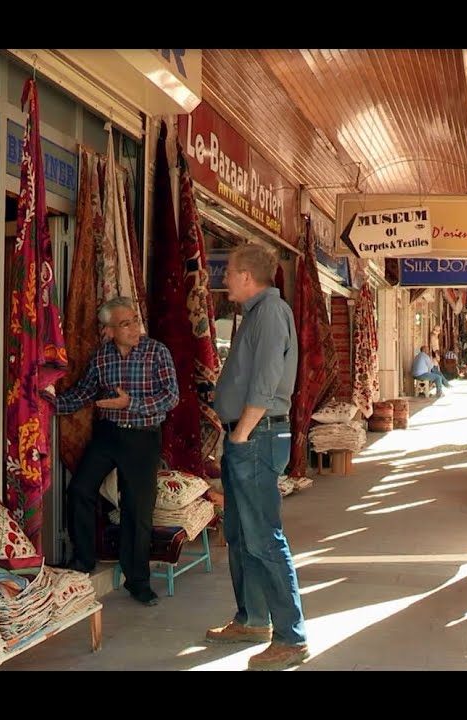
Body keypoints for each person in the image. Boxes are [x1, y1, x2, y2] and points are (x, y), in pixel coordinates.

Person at [204, 243, 309, 671]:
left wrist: (242, 433)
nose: (224, 277)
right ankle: (252, 618)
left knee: (264, 536)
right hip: (248, 437)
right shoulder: (256, 313)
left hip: (257, 438)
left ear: (247, 276)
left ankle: (291, 637)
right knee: (243, 534)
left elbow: (266, 381)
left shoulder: (268, 313)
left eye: (228, 271)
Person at [46, 296, 179, 607]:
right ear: (108, 331)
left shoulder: (156, 352)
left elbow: (170, 396)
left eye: (134, 320)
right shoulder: (102, 357)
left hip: (143, 439)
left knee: (137, 510)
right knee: (79, 489)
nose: (134, 327)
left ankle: (139, 582)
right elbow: (84, 392)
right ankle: (83, 560)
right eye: (125, 323)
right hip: (108, 435)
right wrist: (47, 403)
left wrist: (130, 403)